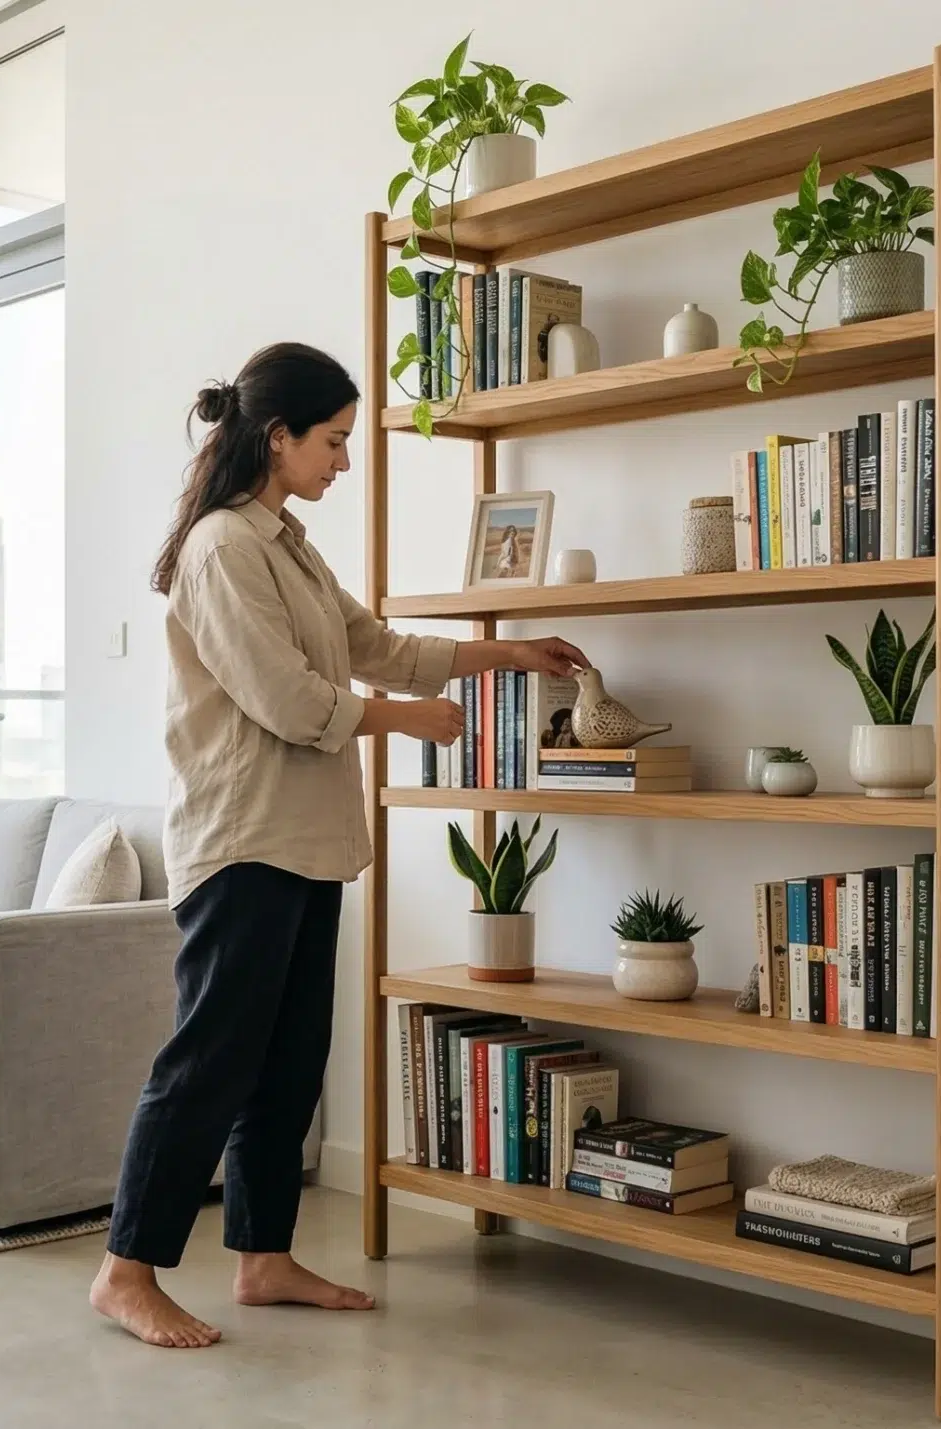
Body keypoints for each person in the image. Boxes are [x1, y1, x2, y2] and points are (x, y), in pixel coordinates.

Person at [90, 341, 586, 1348]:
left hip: (308, 843)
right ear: (275, 436)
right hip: (244, 842)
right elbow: (284, 699)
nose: (342, 461)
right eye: (333, 440)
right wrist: (404, 720)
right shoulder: (223, 548)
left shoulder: (286, 542)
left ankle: (262, 1257)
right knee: (209, 1063)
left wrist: (508, 651)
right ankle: (125, 1268)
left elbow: (379, 645)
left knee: (289, 1062)